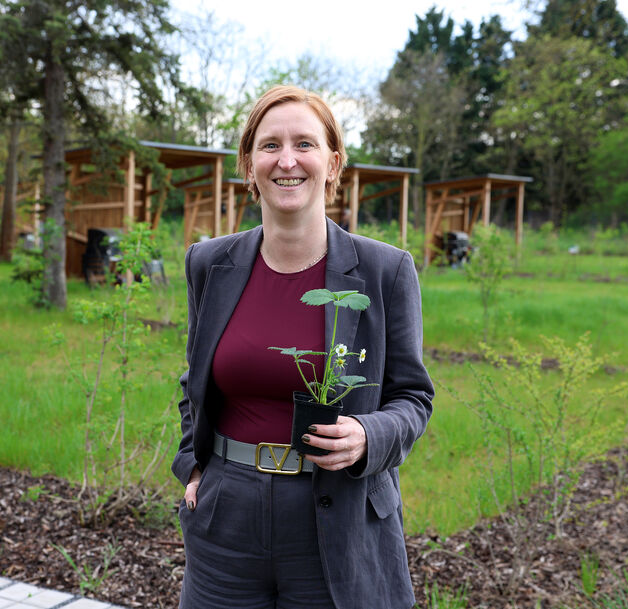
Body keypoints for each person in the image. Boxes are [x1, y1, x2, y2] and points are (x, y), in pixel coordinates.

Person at [172, 85, 434, 609]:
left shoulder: (384, 271)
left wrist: (367, 433)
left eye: (304, 144)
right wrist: (192, 465)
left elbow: (413, 398)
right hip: (227, 521)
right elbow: (194, 380)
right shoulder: (209, 264)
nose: (286, 160)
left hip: (337, 519)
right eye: (269, 146)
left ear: (333, 162)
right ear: (249, 164)